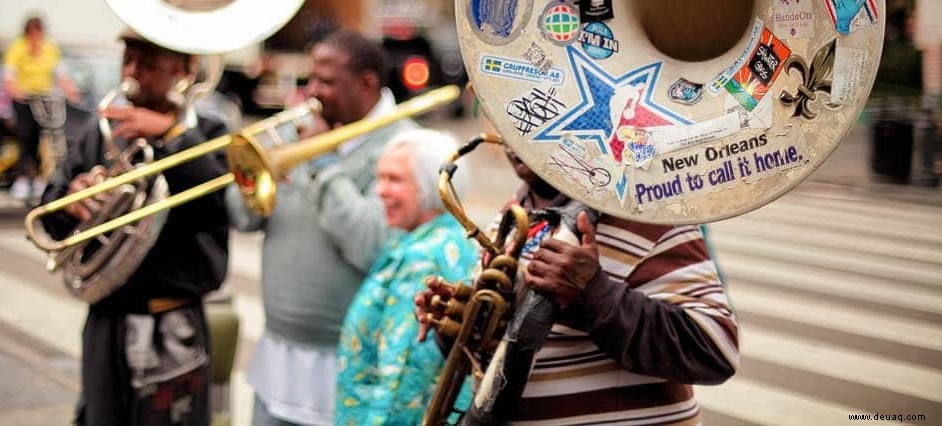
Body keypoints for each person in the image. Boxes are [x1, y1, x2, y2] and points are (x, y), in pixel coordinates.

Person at [415, 147, 739, 424]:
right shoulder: (511, 217)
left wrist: (594, 294)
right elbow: (505, 352)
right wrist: (461, 324)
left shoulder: (647, 212)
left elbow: (715, 349)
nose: (512, 136)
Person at [39, 29, 231, 426]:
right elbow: (47, 210)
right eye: (127, 60)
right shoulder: (103, 131)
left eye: (146, 63)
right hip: (107, 321)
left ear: (182, 68)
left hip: (173, 324)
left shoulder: (210, 134)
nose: (131, 72)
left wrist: (172, 135)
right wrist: (72, 201)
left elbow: (218, 204)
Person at [227, 29, 415, 426]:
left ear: (366, 84)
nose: (312, 91)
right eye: (311, 79)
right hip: (278, 359)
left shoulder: (403, 147)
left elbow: (371, 244)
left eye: (326, 81)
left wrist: (324, 161)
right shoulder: (305, 132)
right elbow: (243, 218)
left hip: (349, 366)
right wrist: (267, 163)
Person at [335, 129, 477, 426]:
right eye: (380, 177)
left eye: (394, 179)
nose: (379, 190)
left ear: (431, 185)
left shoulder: (422, 258)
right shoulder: (446, 237)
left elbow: (402, 378)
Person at [3, 15, 80, 201]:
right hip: (24, 100)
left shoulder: (49, 48)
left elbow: (60, 74)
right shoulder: (17, 48)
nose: (36, 36)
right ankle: (22, 178)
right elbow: (9, 76)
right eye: (33, 32)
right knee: (26, 136)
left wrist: (71, 90)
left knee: (50, 136)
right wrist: (16, 91)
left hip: (45, 99)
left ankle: (42, 177)